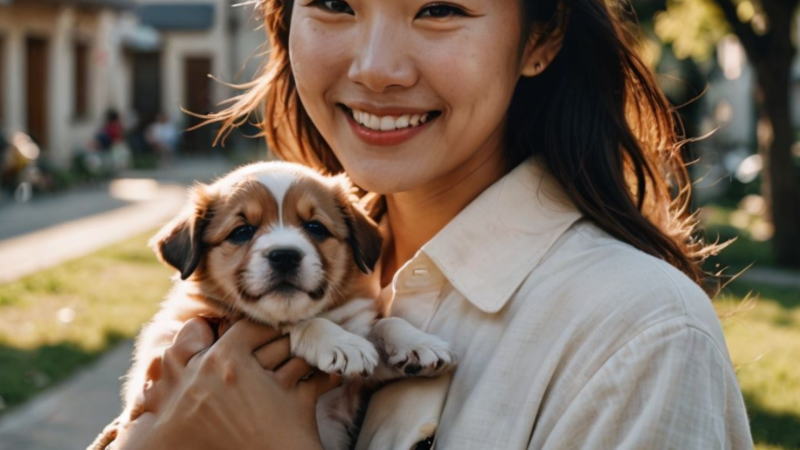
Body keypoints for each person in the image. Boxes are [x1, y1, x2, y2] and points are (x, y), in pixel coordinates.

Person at [112, 0, 752, 448]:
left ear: (541, 37)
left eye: (440, 8)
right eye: (336, 1)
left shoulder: (645, 339)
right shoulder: (260, 286)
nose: (376, 68)